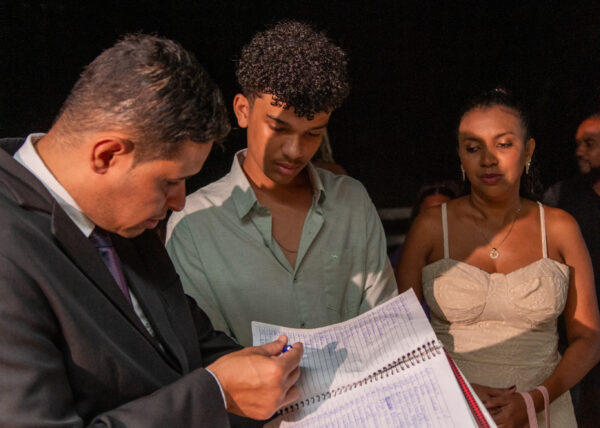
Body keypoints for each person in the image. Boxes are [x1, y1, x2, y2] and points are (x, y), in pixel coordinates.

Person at [0, 34, 304, 427]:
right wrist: (216, 395)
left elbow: (192, 344)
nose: (179, 201)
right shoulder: (10, 248)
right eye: (170, 182)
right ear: (107, 155)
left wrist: (278, 375)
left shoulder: (120, 216)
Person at [166, 21, 397, 347]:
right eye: (279, 128)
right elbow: (204, 351)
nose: (294, 150)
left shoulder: (352, 202)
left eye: (313, 134)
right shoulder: (193, 224)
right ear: (243, 111)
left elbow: (384, 327)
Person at [396, 88, 600, 427]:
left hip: (544, 411)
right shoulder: (430, 228)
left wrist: (533, 400)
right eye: (473, 148)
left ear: (528, 150)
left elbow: (589, 338)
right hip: (453, 411)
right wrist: (458, 391)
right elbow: (400, 335)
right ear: (460, 155)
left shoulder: (559, 228)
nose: (488, 159)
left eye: (503, 144)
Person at [542, 112, 600, 425]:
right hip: (575, 341)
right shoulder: (560, 199)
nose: (580, 151)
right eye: (577, 144)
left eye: (589, 143)